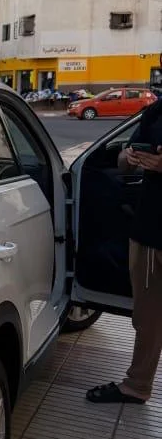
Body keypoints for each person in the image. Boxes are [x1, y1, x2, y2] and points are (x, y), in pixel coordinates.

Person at [87, 93, 162, 404]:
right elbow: (122, 159)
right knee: (147, 318)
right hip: (149, 232)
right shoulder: (155, 112)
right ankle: (137, 385)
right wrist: (129, 158)